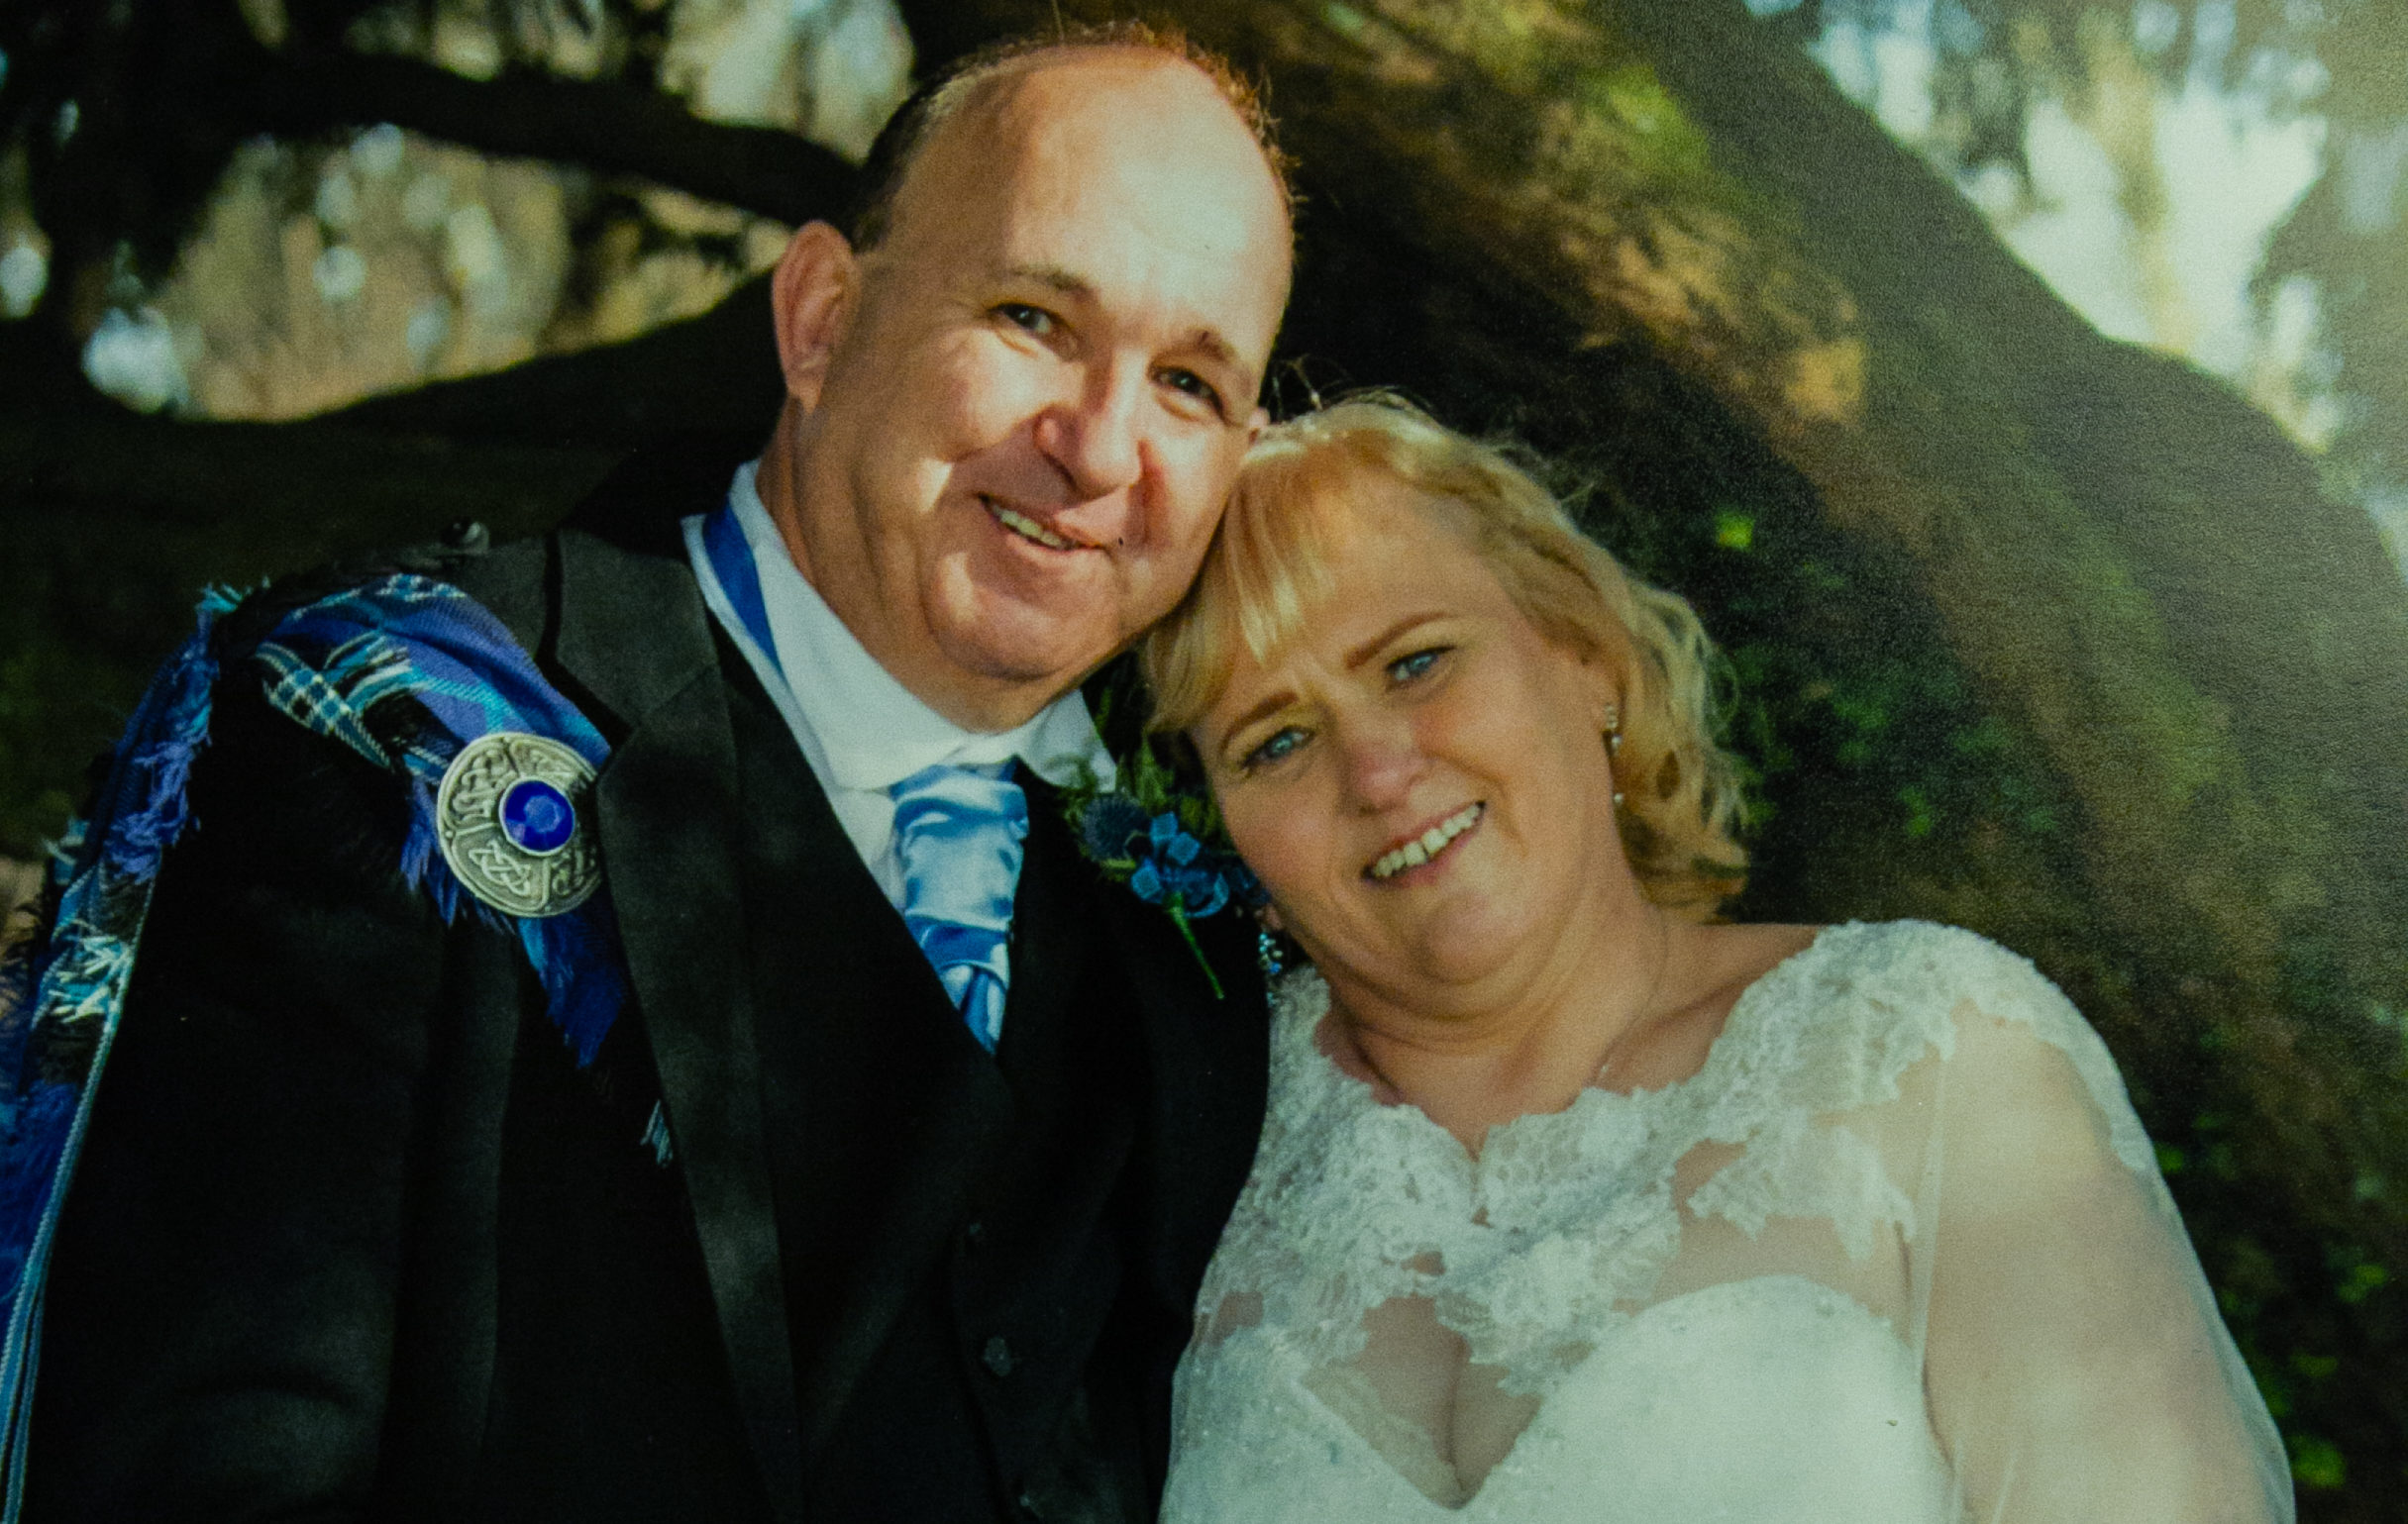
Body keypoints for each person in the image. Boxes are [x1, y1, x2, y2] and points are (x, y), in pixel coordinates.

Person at [15, 23, 1293, 1523]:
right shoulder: (386, 737)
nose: (1097, 444)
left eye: (1191, 386)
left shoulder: (1204, 941)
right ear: (817, 317)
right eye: (1031, 317)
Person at [1139, 396, 2293, 1523]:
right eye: (1275, 740)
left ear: (1582, 658)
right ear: (1231, 841)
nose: (1377, 770)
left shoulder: (1926, 1049)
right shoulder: (1167, 1148)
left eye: (1415, 663)